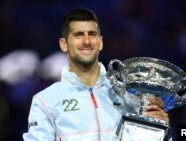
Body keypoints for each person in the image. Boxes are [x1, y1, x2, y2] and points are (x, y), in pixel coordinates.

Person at [23, 7, 170, 141]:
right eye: (78, 35)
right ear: (64, 44)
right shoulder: (45, 101)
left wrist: (160, 129)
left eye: (92, 34)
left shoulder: (129, 95)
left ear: (100, 42)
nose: (87, 41)